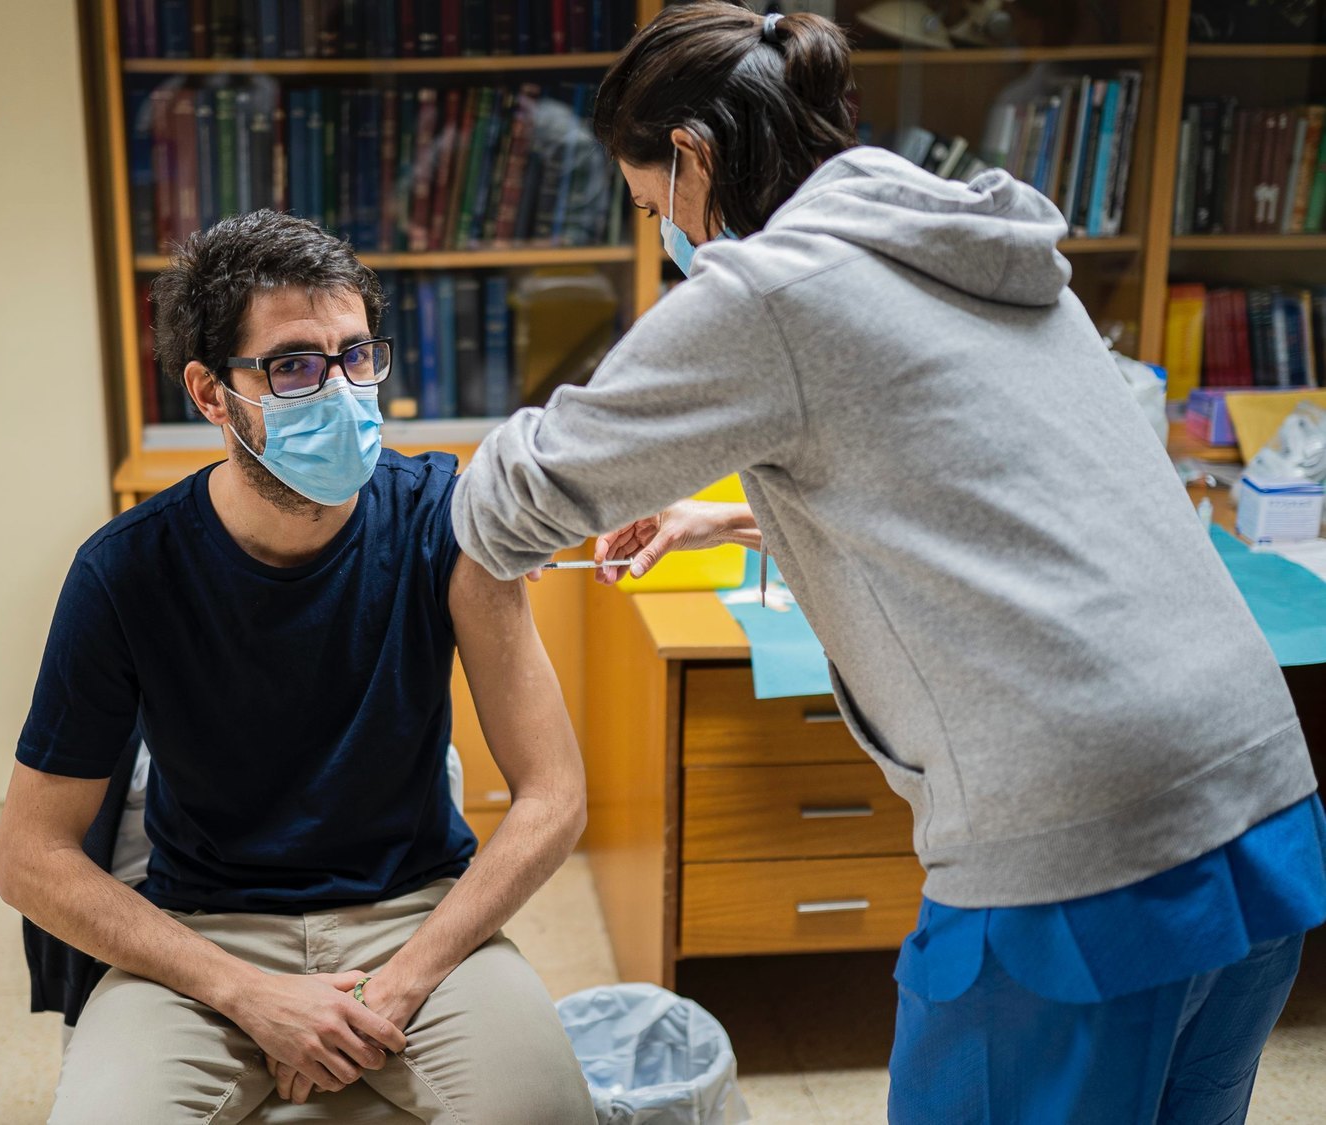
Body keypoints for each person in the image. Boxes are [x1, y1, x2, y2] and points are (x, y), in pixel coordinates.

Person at [450, 4, 1326, 1122]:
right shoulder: (977, 240)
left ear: (693, 157)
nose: (660, 234)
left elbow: (526, 492)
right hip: (1260, 799)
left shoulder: (768, 289)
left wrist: (428, 492)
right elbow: (976, 477)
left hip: (1085, 848)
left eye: (646, 207)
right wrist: (727, 519)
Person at [0, 210, 596, 1124]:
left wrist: (400, 985)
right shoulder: (124, 571)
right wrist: (249, 994)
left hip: (415, 914)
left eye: (356, 356)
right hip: (207, 930)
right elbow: (30, 857)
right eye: (293, 366)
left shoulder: (449, 521)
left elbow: (554, 793)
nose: (342, 391)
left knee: (546, 1112)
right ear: (210, 393)